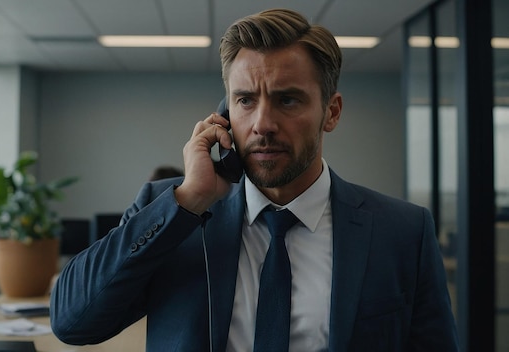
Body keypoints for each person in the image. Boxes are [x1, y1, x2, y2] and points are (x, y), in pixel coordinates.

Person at [50, 8, 459, 351]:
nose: (262, 124)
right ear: (225, 114)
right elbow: (73, 322)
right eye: (245, 100)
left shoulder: (402, 231)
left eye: (288, 99)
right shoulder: (174, 212)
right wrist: (190, 199)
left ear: (331, 112)